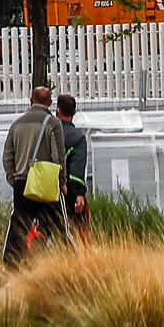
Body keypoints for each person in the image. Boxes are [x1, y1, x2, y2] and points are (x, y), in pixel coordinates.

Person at [1, 84, 67, 265]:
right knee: (57, 223)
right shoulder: (53, 123)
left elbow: (7, 156)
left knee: (19, 224)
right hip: (46, 182)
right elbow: (58, 156)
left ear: (31, 101)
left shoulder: (17, 124)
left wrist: (13, 178)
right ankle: (66, 261)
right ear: (50, 103)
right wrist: (61, 182)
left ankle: (11, 264)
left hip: (22, 182)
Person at [55, 92, 91, 234]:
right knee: (78, 231)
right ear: (73, 113)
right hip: (67, 192)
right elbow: (77, 169)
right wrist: (79, 195)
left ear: (57, 110)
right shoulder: (77, 137)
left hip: (43, 188)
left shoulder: (47, 131)